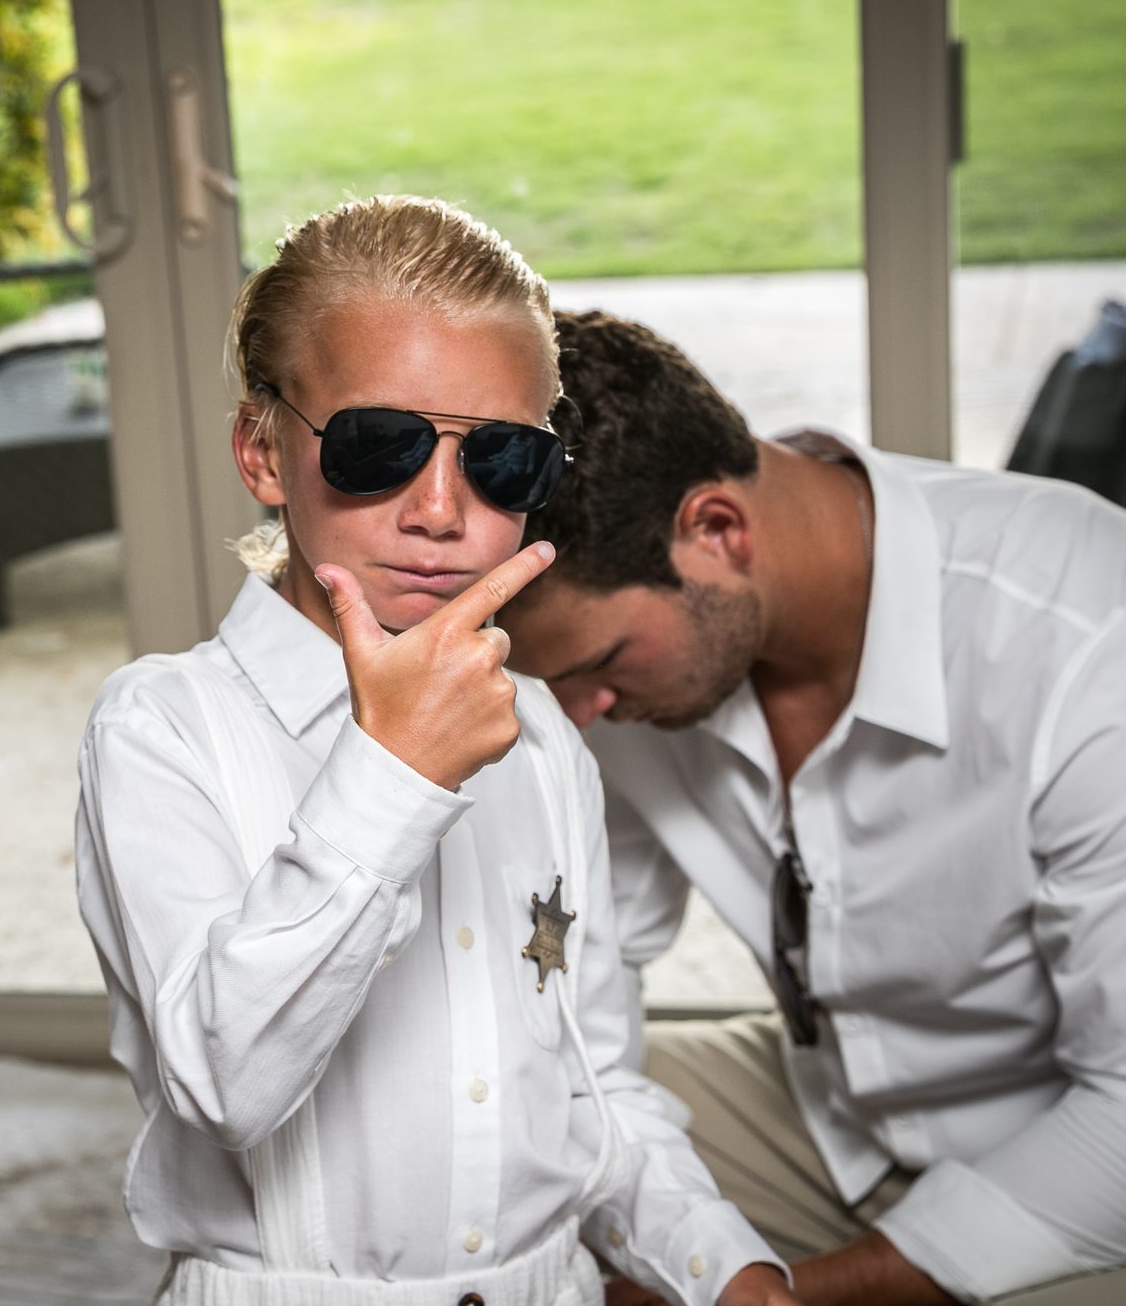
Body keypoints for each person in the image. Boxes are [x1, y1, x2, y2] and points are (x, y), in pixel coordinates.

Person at [495, 308, 1126, 1305]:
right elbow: (576, 991)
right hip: (842, 1117)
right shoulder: (622, 667)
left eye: (599, 664)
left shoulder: (1113, 638)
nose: (578, 716)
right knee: (494, 1140)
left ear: (717, 530)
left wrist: (754, 1291)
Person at [75, 199, 795, 1306]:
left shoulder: (542, 738)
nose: (442, 510)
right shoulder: (161, 729)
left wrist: (726, 1269)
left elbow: (594, 1088)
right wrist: (394, 775)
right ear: (263, 451)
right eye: (380, 445)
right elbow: (223, 1084)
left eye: (504, 459)